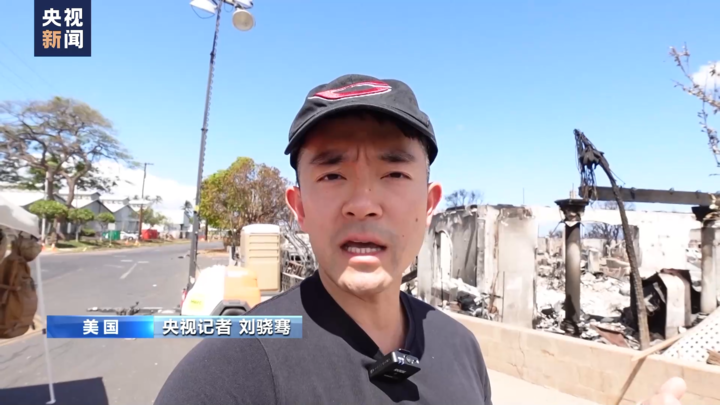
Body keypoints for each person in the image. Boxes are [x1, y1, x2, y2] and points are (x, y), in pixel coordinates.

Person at [155, 74, 686, 405]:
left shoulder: (460, 349)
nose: (363, 202)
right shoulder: (231, 373)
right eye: (333, 174)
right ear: (300, 208)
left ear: (429, 203)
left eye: (394, 174)